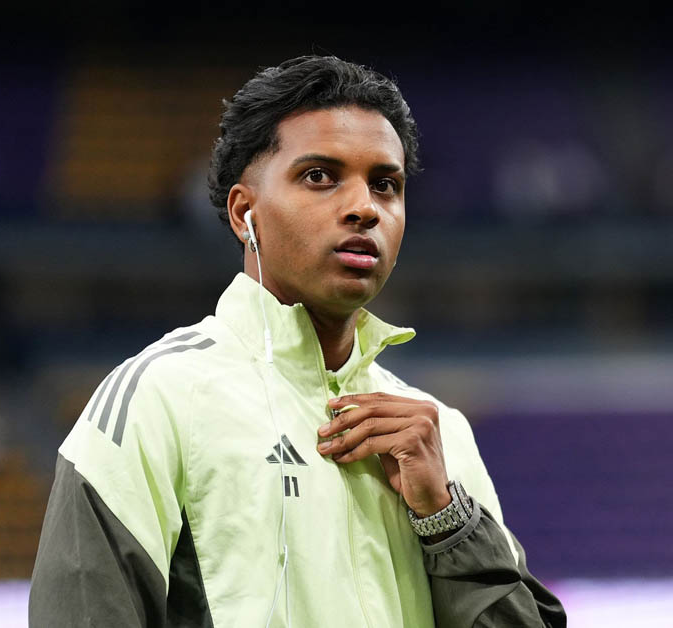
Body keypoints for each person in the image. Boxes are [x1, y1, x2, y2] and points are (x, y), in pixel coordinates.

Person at [30, 55, 566, 627]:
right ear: (245, 213)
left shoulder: (440, 434)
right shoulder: (159, 397)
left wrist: (445, 519)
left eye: (385, 185)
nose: (364, 208)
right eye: (319, 177)